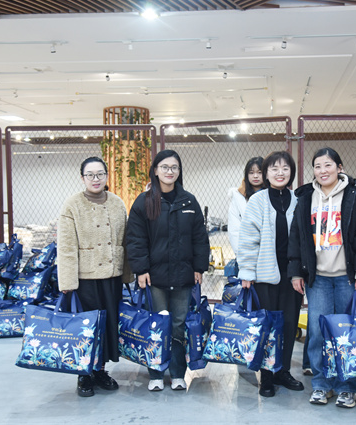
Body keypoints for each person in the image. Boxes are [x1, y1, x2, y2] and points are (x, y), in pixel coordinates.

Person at [288, 147, 356, 408]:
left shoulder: (352, 197)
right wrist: (296, 272)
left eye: (328, 165)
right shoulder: (306, 198)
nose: (322, 171)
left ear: (339, 167)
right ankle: (321, 384)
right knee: (317, 332)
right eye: (317, 166)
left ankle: (347, 386)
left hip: (346, 278)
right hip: (318, 280)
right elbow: (297, 237)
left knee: (346, 333)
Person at [125, 149, 210, 392]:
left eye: (174, 167)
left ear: (179, 171)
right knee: (157, 324)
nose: (169, 171)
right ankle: (155, 374)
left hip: (184, 276)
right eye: (164, 167)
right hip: (155, 277)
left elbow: (199, 237)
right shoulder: (144, 202)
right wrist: (141, 269)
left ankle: (177, 374)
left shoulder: (189, 201)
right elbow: (136, 239)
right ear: (155, 170)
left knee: (179, 325)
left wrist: (199, 267)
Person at [57, 156, 132, 397]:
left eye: (100, 174)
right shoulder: (72, 205)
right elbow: (66, 246)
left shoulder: (117, 203)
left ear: (107, 176)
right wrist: (67, 282)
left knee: (108, 326)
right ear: (82, 178)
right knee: (87, 327)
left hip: (111, 276)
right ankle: (84, 374)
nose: (95, 179)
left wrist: (127, 274)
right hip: (85, 279)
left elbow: (125, 241)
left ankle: (100, 370)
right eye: (90, 175)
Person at [238, 150, 304, 397]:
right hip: (264, 274)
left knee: (289, 324)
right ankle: (266, 376)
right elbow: (248, 239)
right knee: (266, 326)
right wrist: (247, 272)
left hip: (292, 275)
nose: (280, 173)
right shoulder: (257, 200)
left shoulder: (298, 200)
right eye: (274, 168)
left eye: (285, 168)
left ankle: (282, 371)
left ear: (291, 173)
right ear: (266, 173)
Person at [228, 156, 264, 257]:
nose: (255, 176)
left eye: (260, 172)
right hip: (246, 253)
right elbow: (234, 229)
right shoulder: (238, 196)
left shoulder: (271, 194)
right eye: (251, 173)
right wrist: (240, 254)